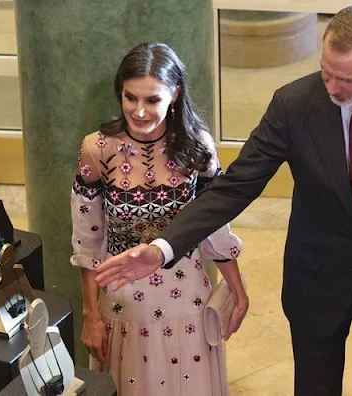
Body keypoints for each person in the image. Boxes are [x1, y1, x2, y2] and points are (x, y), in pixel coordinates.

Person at [97, 5, 352, 395]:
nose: (331, 86)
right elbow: (235, 186)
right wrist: (164, 247)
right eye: (325, 71)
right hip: (315, 282)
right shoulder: (293, 103)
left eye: (345, 79)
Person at [70, 42, 248, 396]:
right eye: (129, 97)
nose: (139, 110)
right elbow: (87, 241)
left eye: (152, 100)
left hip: (188, 297)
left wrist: (238, 291)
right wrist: (92, 315)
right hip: (124, 299)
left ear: (175, 94)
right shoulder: (96, 149)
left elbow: (214, 227)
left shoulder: (199, 147)